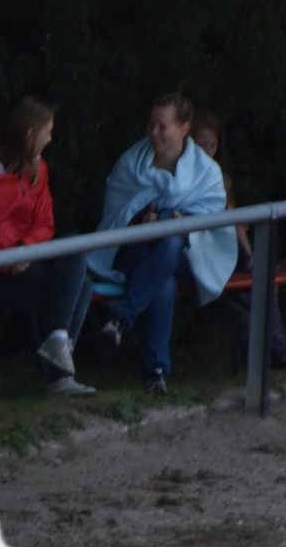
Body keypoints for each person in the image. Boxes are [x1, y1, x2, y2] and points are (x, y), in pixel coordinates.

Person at [85, 92, 239, 396]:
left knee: (172, 241)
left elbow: (213, 222)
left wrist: (180, 222)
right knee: (163, 282)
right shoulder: (131, 163)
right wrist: (140, 223)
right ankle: (155, 373)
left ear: (184, 128)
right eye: (150, 125)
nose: (153, 132)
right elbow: (114, 216)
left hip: (192, 258)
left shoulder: (206, 171)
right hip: (133, 252)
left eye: (162, 126)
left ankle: (120, 319)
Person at [0, 96, 95, 397]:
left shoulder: (39, 168)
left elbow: (45, 223)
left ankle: (58, 346)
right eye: (48, 131)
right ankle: (58, 375)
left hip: (26, 262)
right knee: (81, 285)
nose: (51, 138)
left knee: (76, 250)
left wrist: (25, 250)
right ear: (30, 133)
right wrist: (4, 259)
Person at [191, 114, 286, 370]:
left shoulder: (218, 177)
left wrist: (250, 255)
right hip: (208, 256)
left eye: (213, 145)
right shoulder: (186, 179)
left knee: (264, 277)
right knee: (250, 292)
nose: (208, 151)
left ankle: (276, 354)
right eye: (202, 145)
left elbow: (235, 222)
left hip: (232, 252)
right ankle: (264, 356)